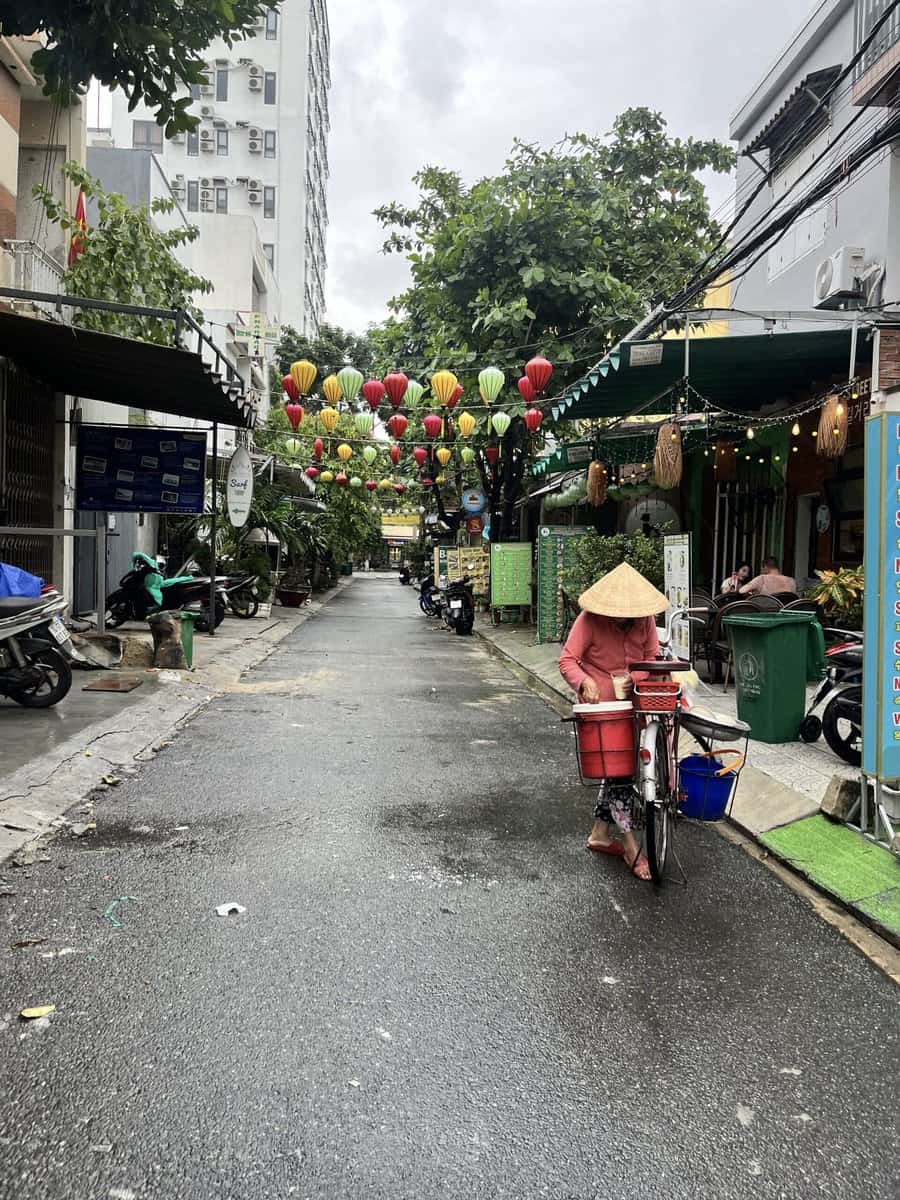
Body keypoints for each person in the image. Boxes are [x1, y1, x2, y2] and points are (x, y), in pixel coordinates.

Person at [558, 562, 669, 882]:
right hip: (601, 711)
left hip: (633, 705)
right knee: (620, 773)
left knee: (620, 770)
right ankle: (632, 846)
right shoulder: (590, 620)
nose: (624, 618)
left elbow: (650, 658)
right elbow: (567, 659)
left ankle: (599, 834)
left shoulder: (645, 620)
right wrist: (583, 682)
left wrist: (634, 677)